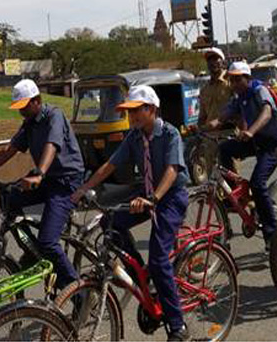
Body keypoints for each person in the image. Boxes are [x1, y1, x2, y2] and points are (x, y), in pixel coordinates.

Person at [71, 85, 189, 341]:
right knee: (110, 223)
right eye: (129, 111)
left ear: (152, 109)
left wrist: (153, 198)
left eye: (137, 110)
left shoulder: (170, 134)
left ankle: (178, 325)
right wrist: (83, 189)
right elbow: (110, 165)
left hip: (170, 197)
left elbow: (172, 169)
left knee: (159, 259)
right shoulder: (134, 137)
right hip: (146, 193)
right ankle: (139, 274)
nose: (132, 116)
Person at [0, 79, 84, 290]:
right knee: (8, 197)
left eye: (24, 106)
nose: (21, 112)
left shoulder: (54, 116)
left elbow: (52, 145)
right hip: (46, 180)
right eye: (18, 108)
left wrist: (39, 173)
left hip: (66, 182)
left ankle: (77, 291)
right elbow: (10, 149)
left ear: (37, 101)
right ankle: (33, 251)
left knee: (48, 242)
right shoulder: (29, 123)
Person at [206, 61, 277, 249]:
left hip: (273, 144)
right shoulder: (239, 97)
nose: (233, 84)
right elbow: (223, 116)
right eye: (231, 80)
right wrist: (205, 127)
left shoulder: (259, 91)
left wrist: (250, 131)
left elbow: (266, 113)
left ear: (247, 78)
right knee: (225, 149)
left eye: (237, 79)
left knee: (258, 184)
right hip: (255, 141)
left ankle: (273, 234)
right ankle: (238, 196)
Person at [198, 47, 233, 129]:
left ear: (223, 62)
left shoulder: (231, 82)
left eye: (215, 59)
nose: (212, 62)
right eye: (209, 60)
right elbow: (202, 117)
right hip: (210, 135)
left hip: (229, 133)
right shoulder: (204, 90)